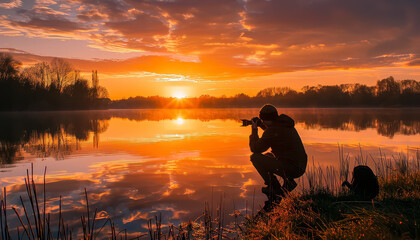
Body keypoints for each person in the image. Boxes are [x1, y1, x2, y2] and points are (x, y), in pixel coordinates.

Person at [249, 104, 307, 205]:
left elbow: (255, 149)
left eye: (263, 120)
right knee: (268, 156)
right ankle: (288, 183)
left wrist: (254, 130)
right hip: (299, 166)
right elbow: (272, 133)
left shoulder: (273, 130)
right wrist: (261, 125)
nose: (262, 122)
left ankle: (274, 188)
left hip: (292, 168)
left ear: (266, 119)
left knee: (255, 158)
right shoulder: (284, 124)